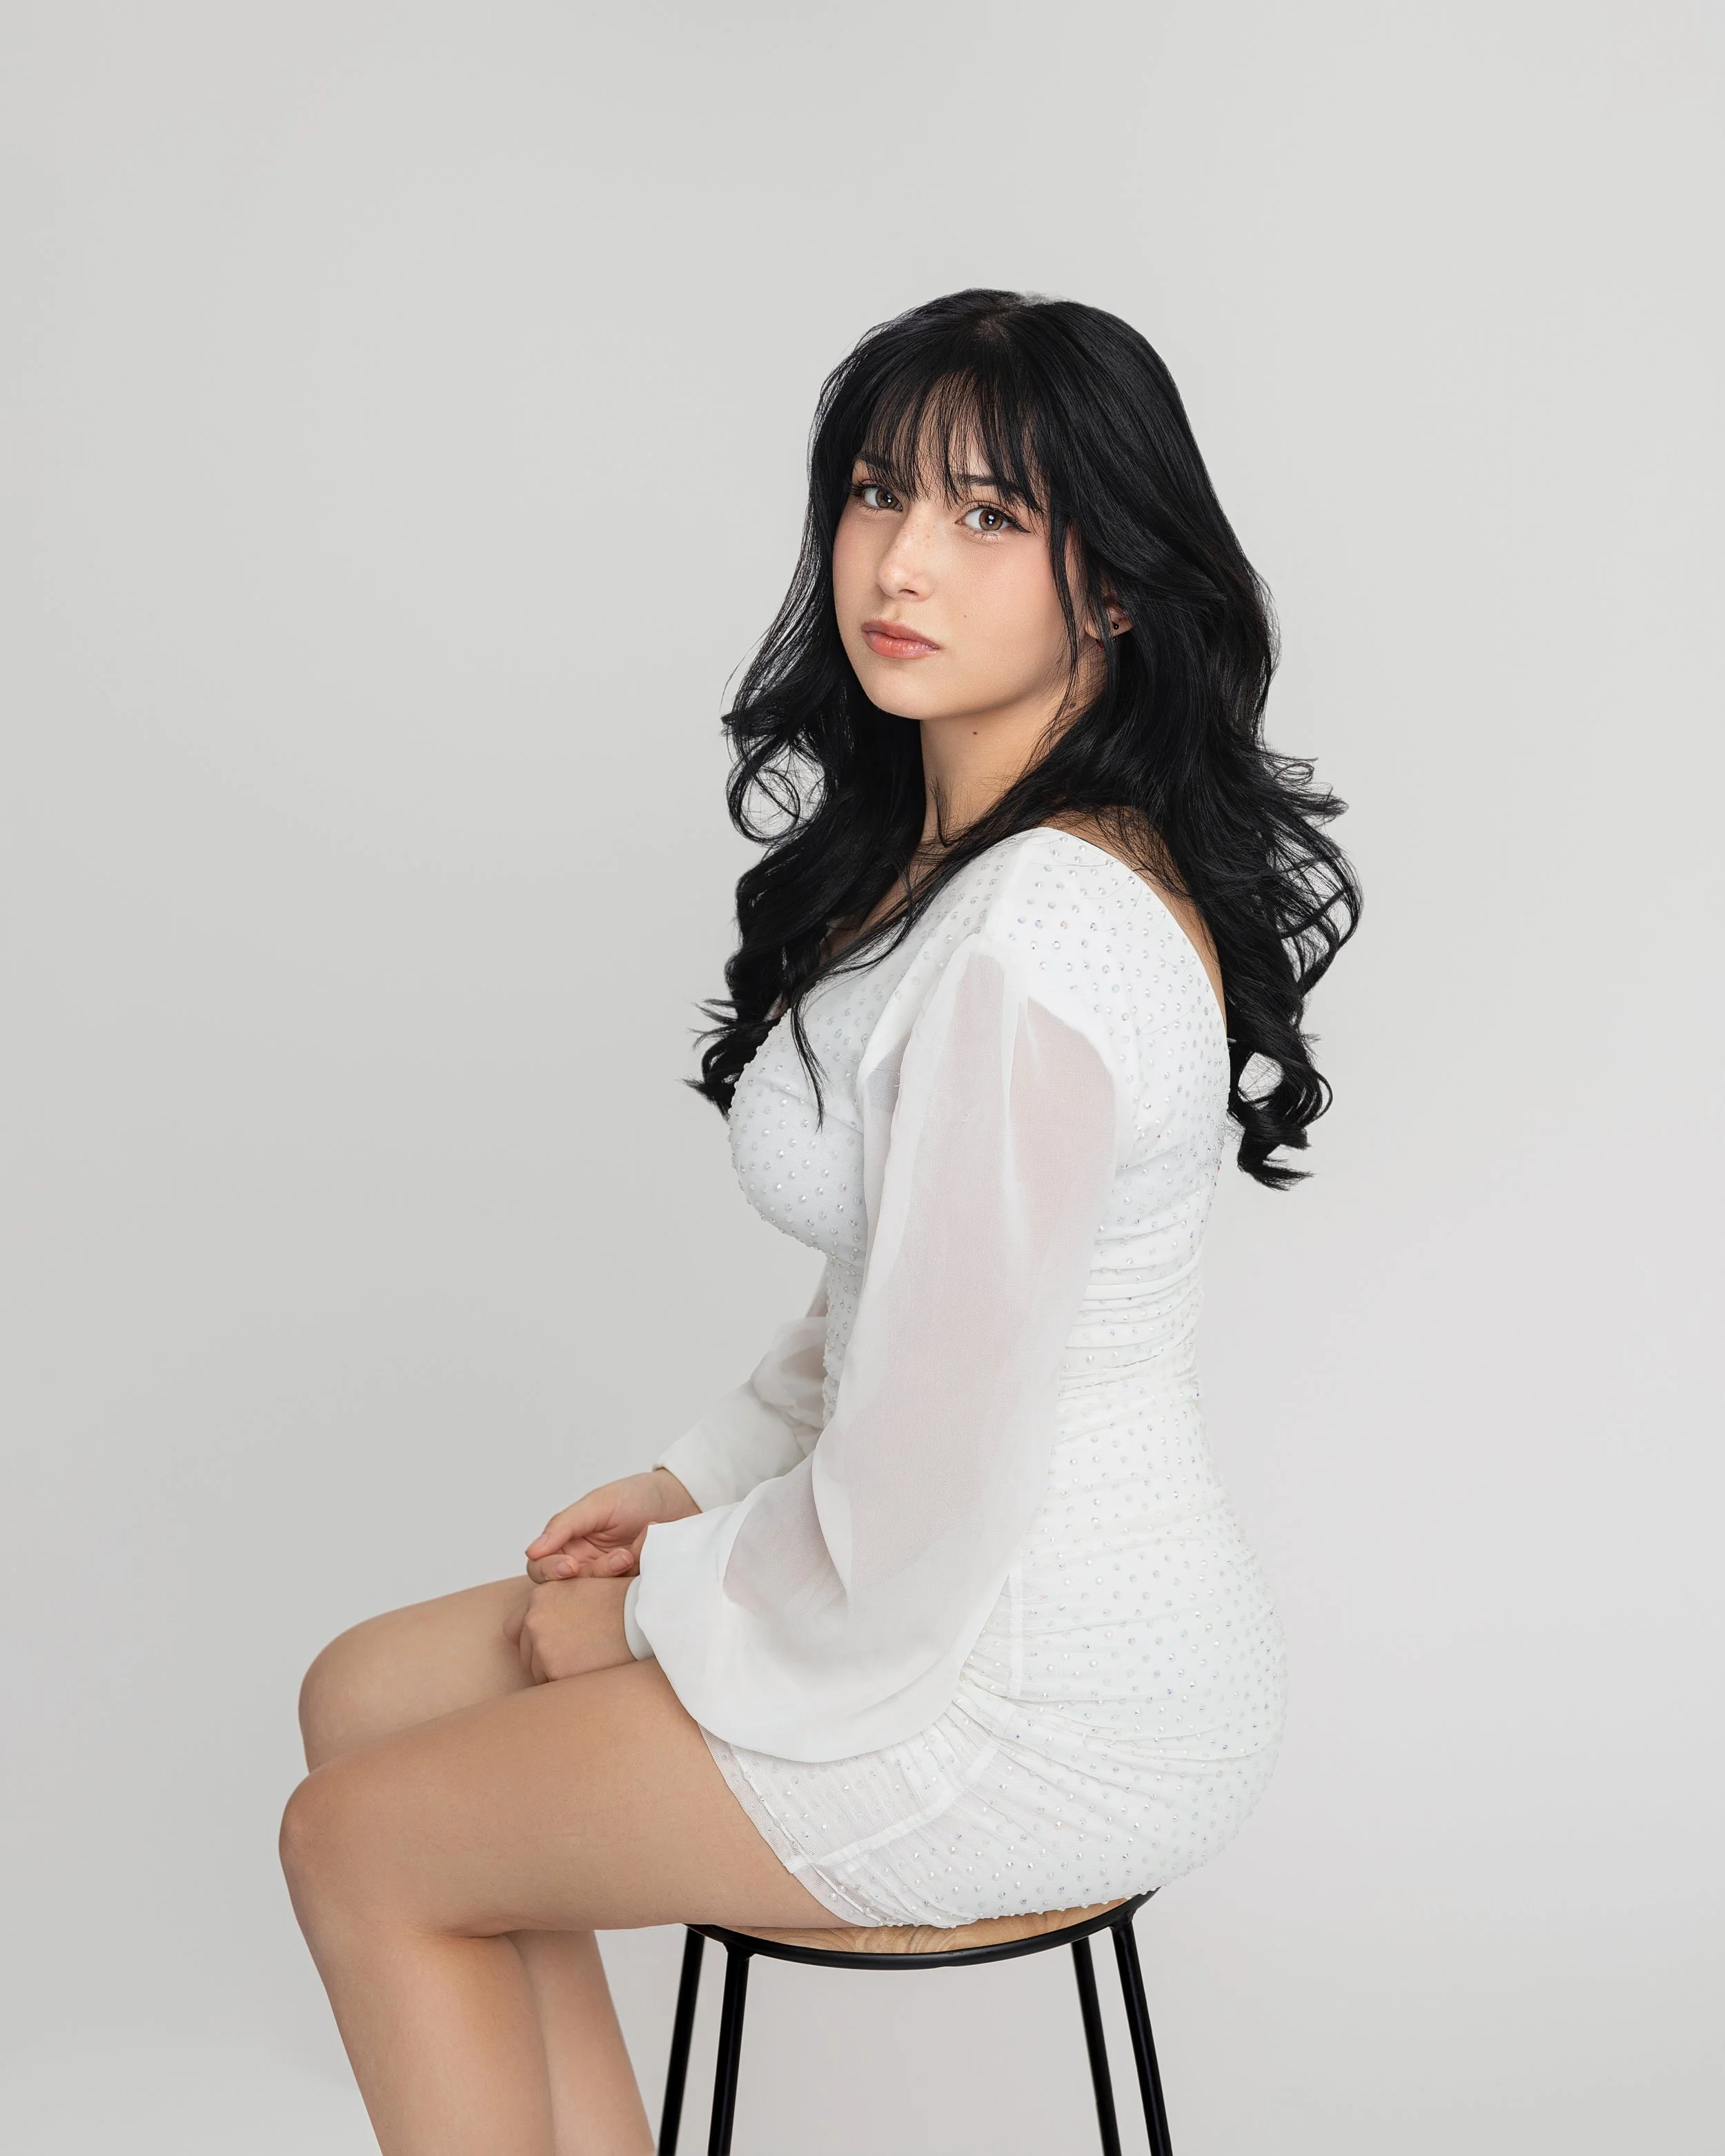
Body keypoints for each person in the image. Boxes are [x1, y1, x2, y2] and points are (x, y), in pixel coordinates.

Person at [281, 288, 1359, 2156]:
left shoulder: (1038, 938)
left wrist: (657, 1618)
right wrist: (689, 1486)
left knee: (360, 1842)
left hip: (1027, 1680)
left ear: (1114, 586)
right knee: (361, 1695)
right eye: (878, 492)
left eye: (989, 515)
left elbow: (928, 1491)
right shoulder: (955, 864)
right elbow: (900, 1296)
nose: (902, 561)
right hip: (932, 1586)